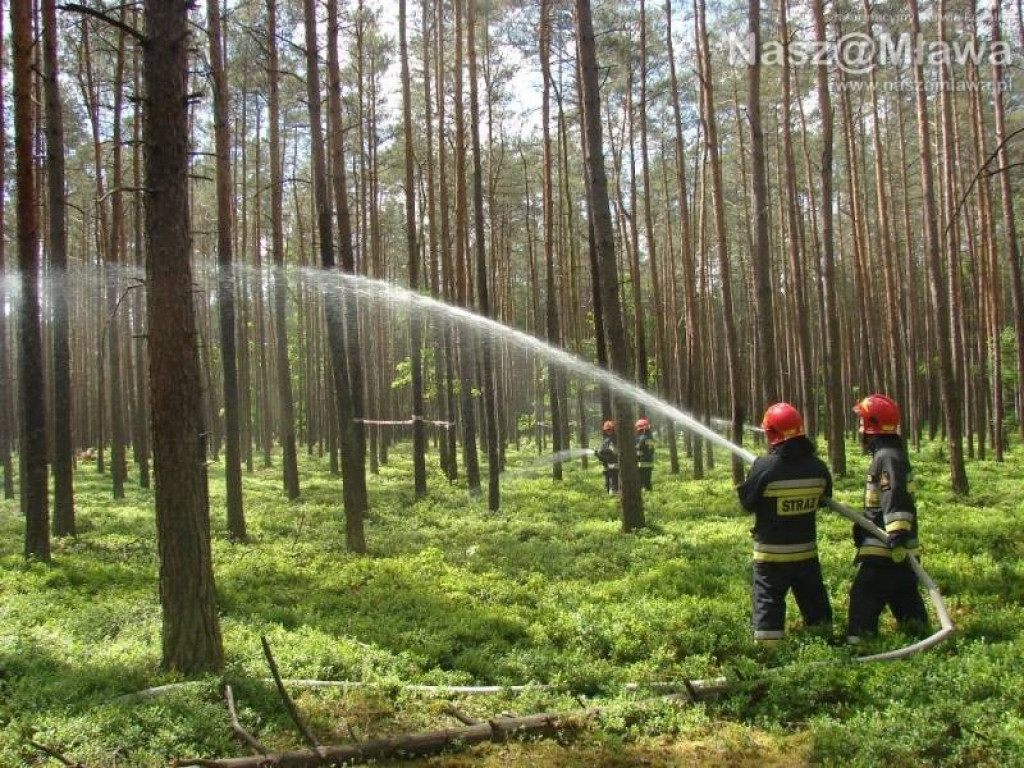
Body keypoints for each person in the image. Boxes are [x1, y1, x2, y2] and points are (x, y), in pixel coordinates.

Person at [737, 403, 833, 643]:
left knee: (768, 605)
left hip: (771, 557)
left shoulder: (764, 467)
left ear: (772, 434)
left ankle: (769, 654)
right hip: (806, 555)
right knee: (815, 604)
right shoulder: (818, 468)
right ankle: (825, 645)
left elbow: (747, 504)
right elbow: (824, 500)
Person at [847, 394, 928, 644]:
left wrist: (897, 532)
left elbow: (894, 495)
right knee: (905, 601)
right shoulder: (890, 454)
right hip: (897, 550)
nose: (860, 429)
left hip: (886, 550)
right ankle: (921, 640)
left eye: (862, 423)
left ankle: (859, 648)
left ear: (872, 426)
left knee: (863, 599)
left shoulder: (887, 457)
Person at [595, 420, 619, 494]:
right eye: (607, 430)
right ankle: (608, 496)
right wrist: (598, 454)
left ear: (613, 429)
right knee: (607, 484)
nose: (609, 431)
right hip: (606, 465)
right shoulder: (605, 440)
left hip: (613, 465)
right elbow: (602, 454)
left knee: (613, 483)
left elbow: (615, 452)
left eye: (610, 429)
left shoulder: (615, 440)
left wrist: (604, 451)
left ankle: (614, 496)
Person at [635, 418, 655, 491]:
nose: (638, 430)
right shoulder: (638, 438)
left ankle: (647, 490)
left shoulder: (648, 438)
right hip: (640, 462)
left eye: (640, 429)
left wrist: (642, 456)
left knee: (646, 480)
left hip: (646, 462)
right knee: (641, 480)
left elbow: (650, 450)